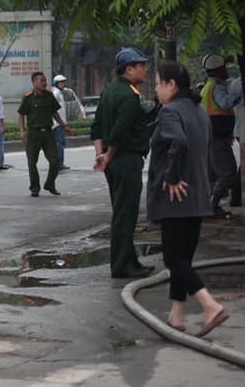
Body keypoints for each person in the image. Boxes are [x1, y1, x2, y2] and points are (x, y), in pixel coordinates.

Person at [146, 61, 228, 336]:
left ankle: (209, 305)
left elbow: (178, 143)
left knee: (174, 260)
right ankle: (176, 316)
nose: (156, 89)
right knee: (183, 259)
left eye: (158, 83)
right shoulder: (198, 110)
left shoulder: (169, 111)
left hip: (176, 198)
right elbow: (204, 157)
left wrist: (170, 177)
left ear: (172, 85)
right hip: (197, 196)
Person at [91, 48, 154, 279]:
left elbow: (96, 127)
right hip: (125, 159)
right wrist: (109, 154)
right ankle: (121, 266)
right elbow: (119, 132)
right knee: (125, 215)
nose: (144, 69)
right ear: (129, 69)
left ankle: (129, 260)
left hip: (113, 160)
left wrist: (102, 154)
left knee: (122, 213)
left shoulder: (109, 91)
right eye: (141, 65)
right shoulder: (129, 95)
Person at [200, 54, 243, 219]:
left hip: (215, 137)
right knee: (228, 172)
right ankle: (212, 205)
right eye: (225, 68)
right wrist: (237, 94)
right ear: (219, 70)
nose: (227, 71)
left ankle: (208, 205)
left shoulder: (208, 86)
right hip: (216, 139)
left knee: (215, 174)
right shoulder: (216, 87)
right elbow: (225, 103)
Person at [18, 72, 69, 196]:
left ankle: (50, 184)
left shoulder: (49, 95)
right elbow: (21, 114)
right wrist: (22, 131)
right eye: (42, 81)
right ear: (34, 82)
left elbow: (54, 112)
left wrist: (63, 125)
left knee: (55, 161)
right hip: (33, 134)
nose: (44, 83)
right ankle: (35, 187)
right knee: (32, 162)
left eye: (45, 80)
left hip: (48, 133)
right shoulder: (28, 97)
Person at [52, 74, 84, 171]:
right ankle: (59, 163)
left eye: (64, 82)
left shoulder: (61, 93)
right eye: (61, 82)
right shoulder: (55, 94)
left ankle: (57, 163)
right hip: (56, 123)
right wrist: (61, 123)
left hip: (59, 123)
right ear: (56, 83)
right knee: (59, 143)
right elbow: (53, 110)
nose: (63, 84)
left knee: (59, 143)